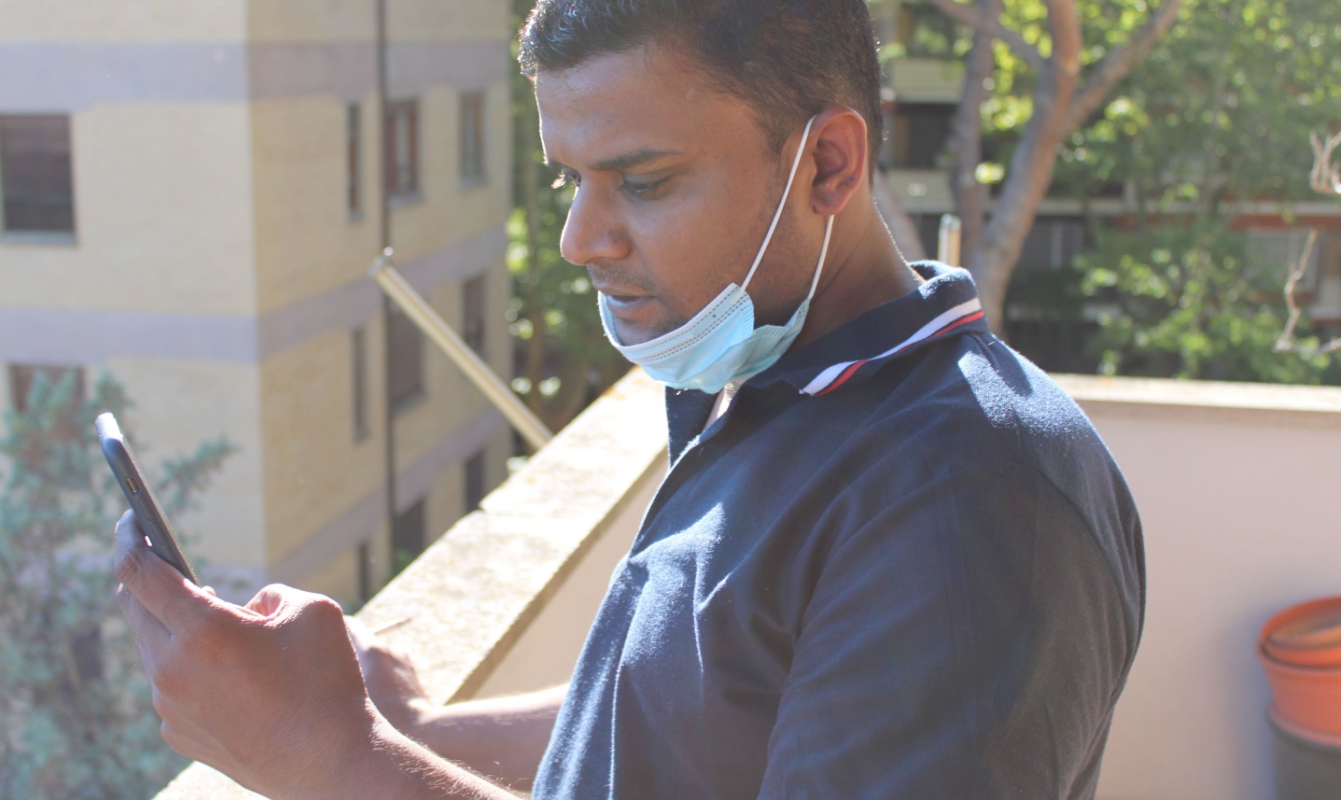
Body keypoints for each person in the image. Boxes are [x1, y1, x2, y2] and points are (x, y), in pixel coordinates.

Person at [113, 0, 1145, 797]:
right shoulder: (769, 381)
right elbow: (702, 709)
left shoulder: (970, 499)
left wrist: (330, 757)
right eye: (568, 181)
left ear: (826, 163)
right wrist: (419, 732)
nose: (579, 239)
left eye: (640, 180)